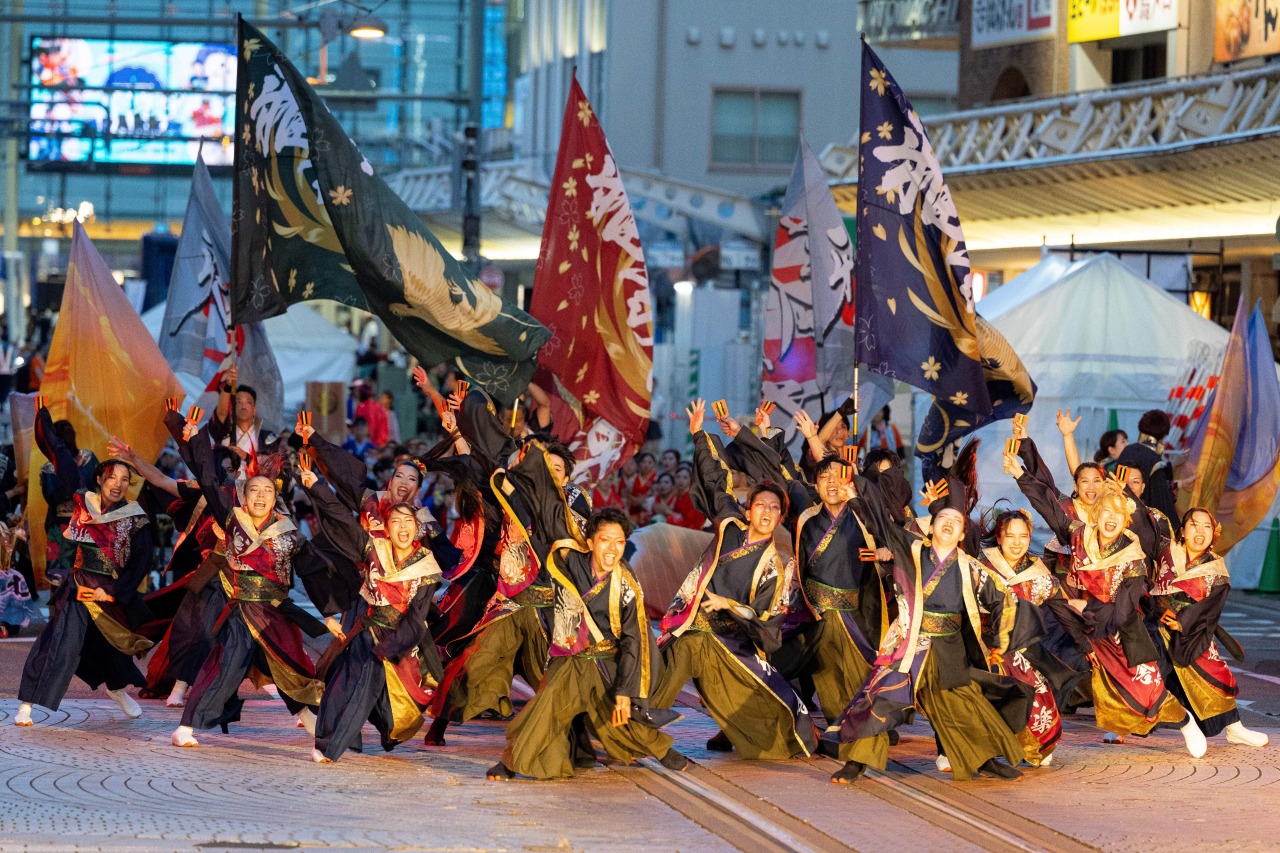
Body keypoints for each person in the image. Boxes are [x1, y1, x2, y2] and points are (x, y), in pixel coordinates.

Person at [825, 491, 1031, 783]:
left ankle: (984, 761)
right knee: (882, 699)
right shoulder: (910, 550)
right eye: (943, 518)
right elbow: (881, 524)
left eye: (956, 521)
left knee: (962, 705)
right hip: (910, 644)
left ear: (962, 535)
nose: (948, 523)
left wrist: (998, 640)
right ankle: (856, 763)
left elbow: (1004, 600)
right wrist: (857, 498)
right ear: (931, 527)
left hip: (948, 647)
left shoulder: (970, 568)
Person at [650, 399, 817, 760]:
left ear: (781, 517)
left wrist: (729, 605)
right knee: (680, 651)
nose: (767, 511)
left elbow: (768, 623)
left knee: (770, 746)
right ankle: (642, 728)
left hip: (732, 645)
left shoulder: (774, 566)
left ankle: (736, 728)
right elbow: (715, 481)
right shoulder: (729, 525)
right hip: (694, 625)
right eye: (761, 505)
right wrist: (698, 435)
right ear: (749, 509)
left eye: (775, 507)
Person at [1008, 457, 1195, 752]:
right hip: (1089, 627)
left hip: (1122, 631)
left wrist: (1085, 609)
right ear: (1095, 514)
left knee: (1147, 689)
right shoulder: (1078, 535)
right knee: (1088, 680)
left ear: (1126, 521)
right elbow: (1048, 506)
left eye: (1118, 514)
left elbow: (1123, 610)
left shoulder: (1132, 557)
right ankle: (1041, 739)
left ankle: (1185, 722)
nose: (1111, 518)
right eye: (1105, 511)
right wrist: (1020, 473)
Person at [487, 508, 687, 780]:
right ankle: (510, 762)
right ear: (591, 543)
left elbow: (633, 640)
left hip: (607, 661)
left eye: (619, 542)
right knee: (546, 706)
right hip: (571, 658)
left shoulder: (627, 585)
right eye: (605, 540)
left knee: (620, 715)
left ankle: (660, 748)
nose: (612, 549)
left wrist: (625, 691)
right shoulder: (571, 563)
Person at [171, 419, 327, 748]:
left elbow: (313, 573)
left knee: (288, 665)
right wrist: (197, 439)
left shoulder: (289, 533)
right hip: (241, 611)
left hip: (275, 614)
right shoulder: (233, 520)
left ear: (275, 498)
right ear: (243, 496)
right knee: (225, 664)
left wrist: (330, 614)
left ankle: (310, 718)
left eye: (267, 491)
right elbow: (209, 481)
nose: (260, 496)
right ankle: (186, 726)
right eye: (254, 490)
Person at [16, 405, 155, 725]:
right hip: (79, 586)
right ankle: (29, 701)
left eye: (124, 479)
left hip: (111, 591)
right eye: (112, 477)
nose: (118, 484)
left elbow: (141, 562)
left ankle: (117, 690)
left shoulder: (135, 518)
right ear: (99, 479)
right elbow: (60, 456)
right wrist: (43, 420)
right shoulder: (85, 501)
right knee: (60, 641)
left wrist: (116, 592)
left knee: (112, 647)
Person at [301, 460, 443, 763]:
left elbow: (417, 618)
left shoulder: (426, 567)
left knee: (394, 717)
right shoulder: (373, 549)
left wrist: (392, 646)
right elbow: (342, 520)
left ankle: (380, 732)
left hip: (401, 639)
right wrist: (317, 486)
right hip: (367, 628)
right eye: (396, 522)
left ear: (416, 527)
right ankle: (327, 745)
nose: (402, 527)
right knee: (351, 682)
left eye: (408, 522)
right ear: (386, 527)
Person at [1143, 506, 1268, 750]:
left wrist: (1183, 622)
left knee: (1216, 675)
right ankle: (1125, 726)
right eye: (1194, 525)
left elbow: (1210, 608)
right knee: (1149, 674)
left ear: (1214, 534)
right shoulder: (1166, 549)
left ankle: (1235, 728)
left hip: (1194, 629)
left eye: (1207, 526)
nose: (1200, 531)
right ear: (1182, 531)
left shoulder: (1217, 570)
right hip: (1156, 626)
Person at [210, 364, 282, 464]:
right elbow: (221, 413)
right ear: (232, 409)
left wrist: (247, 458)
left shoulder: (268, 438)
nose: (243, 406)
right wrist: (228, 385)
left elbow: (272, 467)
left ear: (254, 409)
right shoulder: (224, 433)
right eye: (239, 402)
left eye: (248, 402)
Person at [1116, 410, 1178, 522]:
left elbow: (1118, 483)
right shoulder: (1156, 461)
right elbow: (1161, 501)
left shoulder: (1127, 450)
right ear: (1164, 434)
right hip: (1141, 519)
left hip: (1118, 510)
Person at [354, 384, 390, 449]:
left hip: (366, 445)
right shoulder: (380, 407)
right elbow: (385, 428)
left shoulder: (361, 408)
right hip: (380, 444)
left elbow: (363, 426)